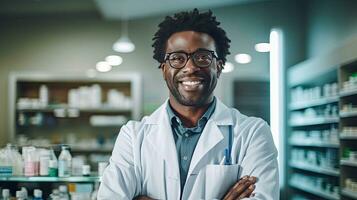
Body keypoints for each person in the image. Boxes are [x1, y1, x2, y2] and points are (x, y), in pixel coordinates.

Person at [98, 9, 279, 200]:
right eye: (177, 58)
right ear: (164, 68)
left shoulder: (253, 132)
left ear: (218, 66)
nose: (190, 67)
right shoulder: (133, 136)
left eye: (202, 57)